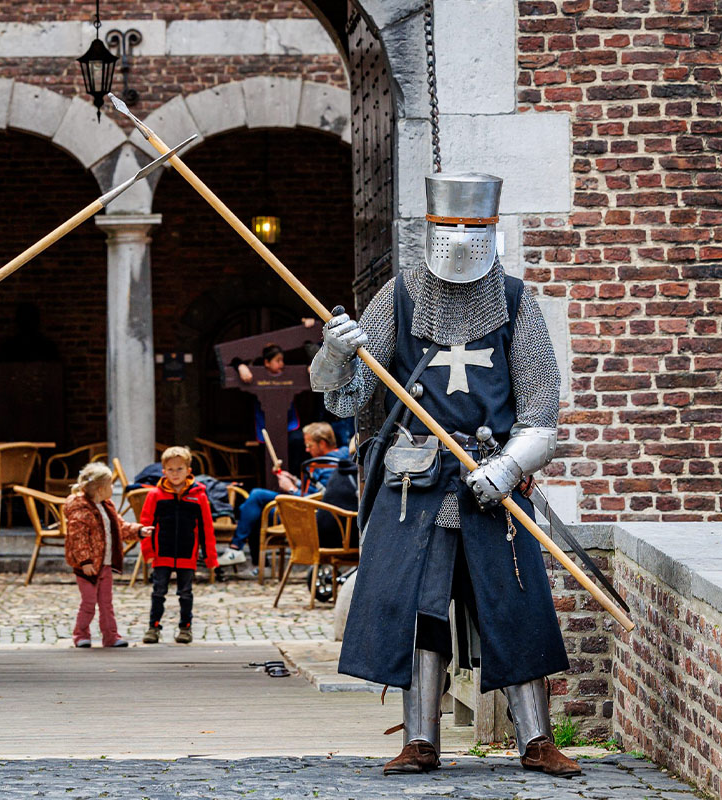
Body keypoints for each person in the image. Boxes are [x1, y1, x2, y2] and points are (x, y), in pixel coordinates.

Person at [310, 172, 580, 777]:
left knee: (512, 602)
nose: (459, 237)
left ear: (491, 230)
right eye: (449, 225)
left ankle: (535, 739)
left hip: (491, 479)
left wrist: (509, 467)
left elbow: (541, 409)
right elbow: (348, 398)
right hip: (416, 482)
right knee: (421, 609)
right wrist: (336, 352)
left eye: (472, 226)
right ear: (432, 228)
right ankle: (421, 739)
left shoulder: (513, 301)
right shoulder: (400, 298)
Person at [217, 422, 349, 568]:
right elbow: (314, 488)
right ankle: (245, 555)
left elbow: (323, 499)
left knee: (256, 510)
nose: (306, 450)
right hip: (304, 503)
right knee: (257, 497)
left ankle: (242, 553)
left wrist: (292, 489)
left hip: (309, 513)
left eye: (309, 446)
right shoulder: (329, 460)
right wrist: (294, 481)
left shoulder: (331, 465)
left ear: (322, 444)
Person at [63, 462, 151, 648]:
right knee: (88, 602)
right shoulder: (80, 511)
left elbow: (120, 527)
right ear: (101, 489)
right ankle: (81, 634)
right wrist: (85, 561)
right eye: (111, 485)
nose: (113, 488)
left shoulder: (107, 506)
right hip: (88, 567)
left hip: (105, 564)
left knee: (106, 603)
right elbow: (77, 539)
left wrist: (139, 531)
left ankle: (111, 636)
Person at [138, 446, 218, 644]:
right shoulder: (155, 495)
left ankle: (185, 628)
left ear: (189, 470)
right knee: (158, 592)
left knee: (185, 593)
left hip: (187, 553)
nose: (175, 474)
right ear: (163, 471)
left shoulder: (199, 496)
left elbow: (206, 528)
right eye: (170, 470)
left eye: (179, 469)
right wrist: (147, 551)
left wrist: (210, 557)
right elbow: (146, 524)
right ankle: (153, 627)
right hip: (162, 553)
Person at [236, 343, 306, 473]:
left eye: (282, 360)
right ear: (267, 363)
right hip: (265, 424)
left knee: (297, 441)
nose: (282, 364)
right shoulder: (256, 375)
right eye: (278, 361)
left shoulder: (288, 373)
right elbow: (233, 359)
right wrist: (240, 366)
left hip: (289, 424)